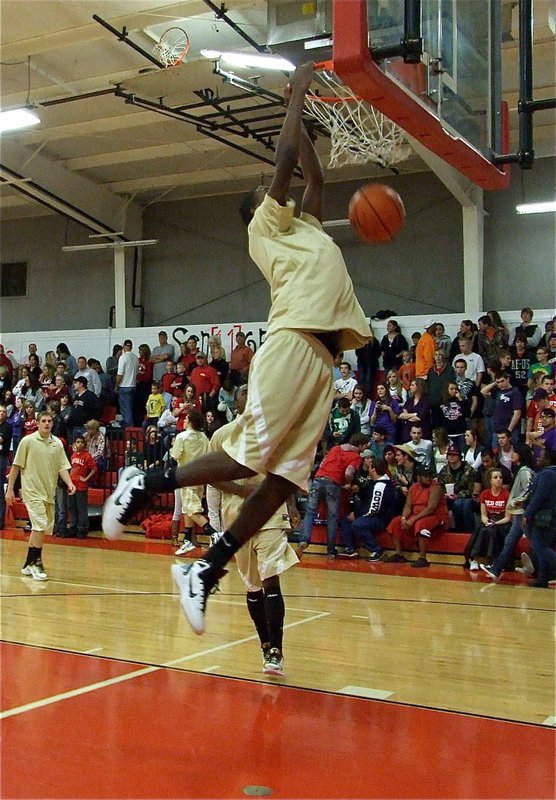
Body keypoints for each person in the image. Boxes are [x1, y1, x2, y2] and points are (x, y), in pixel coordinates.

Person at [103, 63, 371, 634]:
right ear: (262, 211)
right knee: (249, 455)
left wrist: (306, 121)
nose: (285, 191)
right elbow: (282, 165)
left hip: (324, 361)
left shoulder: (309, 230)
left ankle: (208, 569)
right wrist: (294, 97)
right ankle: (145, 481)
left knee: (283, 481)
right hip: (294, 340)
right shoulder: (266, 230)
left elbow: (313, 178)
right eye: (272, 194)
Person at [203, 383, 299, 675]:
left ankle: (276, 651)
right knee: (253, 585)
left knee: (271, 578)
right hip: (237, 517)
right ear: (235, 401)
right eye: (243, 391)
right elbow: (210, 475)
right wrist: (239, 494)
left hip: (271, 513)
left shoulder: (274, 431)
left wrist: (292, 505)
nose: (249, 394)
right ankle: (264, 642)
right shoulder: (222, 436)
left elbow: (286, 470)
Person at [6, 410, 76, 580]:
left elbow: (62, 467)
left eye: (49, 421)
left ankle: (28, 564)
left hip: (48, 491)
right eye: (43, 421)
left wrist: (69, 483)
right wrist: (10, 489)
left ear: (52, 423)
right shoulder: (27, 441)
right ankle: (37, 564)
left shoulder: (57, 444)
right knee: (40, 525)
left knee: (41, 528)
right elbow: (16, 467)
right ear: (37, 423)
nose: (46, 423)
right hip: (31, 490)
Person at [297, 433, 369, 558]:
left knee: (310, 512)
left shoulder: (335, 448)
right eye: (365, 446)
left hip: (318, 479)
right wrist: (348, 483)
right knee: (332, 517)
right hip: (333, 484)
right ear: (360, 445)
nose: (365, 450)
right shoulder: (355, 456)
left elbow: (322, 463)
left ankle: (304, 540)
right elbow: (348, 472)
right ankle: (330, 550)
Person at [480, 444, 535, 581]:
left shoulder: (524, 472)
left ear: (520, 455)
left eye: (515, 452)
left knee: (535, 543)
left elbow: (529, 489)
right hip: (518, 513)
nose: (512, 454)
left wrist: (518, 501)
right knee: (510, 542)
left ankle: (544, 570)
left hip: (522, 513)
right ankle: (496, 569)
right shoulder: (520, 470)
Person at [385, 464, 450, 567]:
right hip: (417, 515)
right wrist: (404, 518)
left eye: (430, 476)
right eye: (425, 476)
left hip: (437, 517)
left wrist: (413, 520)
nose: (428, 478)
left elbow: (431, 508)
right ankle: (399, 554)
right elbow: (408, 506)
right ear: (418, 477)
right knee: (396, 522)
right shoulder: (413, 487)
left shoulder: (436, 488)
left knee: (421, 524)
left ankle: (423, 558)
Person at [171, 410, 212, 556]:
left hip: (186, 476)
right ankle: (188, 540)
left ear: (191, 421)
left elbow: (175, 456)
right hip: (199, 477)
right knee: (188, 510)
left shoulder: (181, 437)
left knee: (191, 509)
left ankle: (213, 533)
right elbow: (208, 456)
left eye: (186, 418)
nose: (184, 420)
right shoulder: (204, 438)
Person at [339, 454, 396, 560]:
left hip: (381, 517)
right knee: (346, 519)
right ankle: (350, 548)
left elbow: (375, 508)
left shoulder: (381, 486)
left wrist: (357, 514)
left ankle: (376, 550)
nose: (367, 469)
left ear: (374, 469)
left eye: (369, 467)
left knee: (357, 524)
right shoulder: (373, 483)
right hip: (373, 514)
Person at [522, 449, 556, 588]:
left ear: (548, 459)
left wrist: (527, 513)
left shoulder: (548, 474)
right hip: (550, 516)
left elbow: (539, 497)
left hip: (545, 517)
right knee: (542, 547)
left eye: (540, 456)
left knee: (540, 547)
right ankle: (542, 578)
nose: (537, 458)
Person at [465, 467, 511, 571]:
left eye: (500, 477)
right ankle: (474, 559)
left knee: (493, 531)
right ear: (490, 480)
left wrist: (497, 523)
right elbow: (484, 515)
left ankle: (493, 560)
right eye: (495, 477)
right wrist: (487, 521)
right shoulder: (485, 494)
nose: (499, 479)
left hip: (502, 522)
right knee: (482, 529)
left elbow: (508, 517)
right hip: (489, 520)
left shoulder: (507, 495)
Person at [68, 435, 97, 539]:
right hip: (72, 485)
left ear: (84, 444)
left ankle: (82, 529)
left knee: (81, 509)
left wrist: (86, 478)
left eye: (81, 442)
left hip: (81, 486)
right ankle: (73, 528)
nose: (79, 444)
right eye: (77, 442)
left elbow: (94, 468)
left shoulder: (87, 456)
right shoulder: (73, 455)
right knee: (72, 508)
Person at [115, 339, 139, 429]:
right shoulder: (136, 358)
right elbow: (136, 372)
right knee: (130, 408)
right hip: (133, 385)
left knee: (125, 410)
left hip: (124, 386)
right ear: (131, 347)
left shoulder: (123, 357)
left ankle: (129, 430)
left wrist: (116, 385)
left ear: (124, 347)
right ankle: (130, 427)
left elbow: (120, 374)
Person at [0, 405, 13, 530]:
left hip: (1, 458)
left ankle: (0, 521)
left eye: (4, 412)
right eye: (0, 411)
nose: (2, 413)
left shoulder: (7, 426)